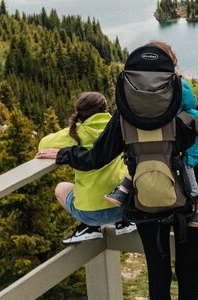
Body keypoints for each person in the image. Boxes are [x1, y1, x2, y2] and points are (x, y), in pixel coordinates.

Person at [37, 42, 198, 300]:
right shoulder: (182, 114)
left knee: (157, 274)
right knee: (187, 271)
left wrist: (61, 154)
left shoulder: (124, 117)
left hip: (144, 205)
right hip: (187, 203)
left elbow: (94, 158)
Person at [105, 76, 198, 226]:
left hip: (175, 156)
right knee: (191, 183)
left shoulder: (166, 116)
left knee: (135, 165)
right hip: (183, 157)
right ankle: (197, 212)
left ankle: (122, 192)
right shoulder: (187, 116)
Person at [36, 91, 136, 244]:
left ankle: (89, 227)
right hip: (124, 206)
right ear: (105, 109)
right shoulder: (117, 127)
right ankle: (123, 223)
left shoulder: (77, 133)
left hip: (90, 213)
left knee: (61, 188)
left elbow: (43, 144)